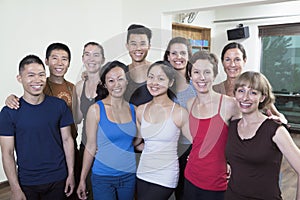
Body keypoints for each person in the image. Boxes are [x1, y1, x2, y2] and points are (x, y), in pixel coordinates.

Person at [5, 42, 80, 200]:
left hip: (58, 177)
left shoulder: (60, 104)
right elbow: (7, 153)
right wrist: (14, 188)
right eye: (31, 75)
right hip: (27, 181)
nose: (37, 80)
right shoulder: (9, 112)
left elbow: (67, 139)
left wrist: (71, 174)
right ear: (20, 78)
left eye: (40, 75)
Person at [225, 71, 300, 200]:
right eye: (241, 91)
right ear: (235, 94)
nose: (245, 97)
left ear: (262, 97)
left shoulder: (275, 130)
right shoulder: (231, 126)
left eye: (253, 92)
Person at [184, 51, 241, 200]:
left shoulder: (229, 104)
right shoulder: (190, 104)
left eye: (207, 72)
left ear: (214, 75)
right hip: (190, 177)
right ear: (190, 75)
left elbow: (244, 138)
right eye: (196, 72)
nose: (202, 77)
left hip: (217, 183)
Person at [77, 61, 137, 200]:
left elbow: (137, 142)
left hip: (129, 176)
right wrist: (82, 179)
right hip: (103, 177)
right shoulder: (96, 110)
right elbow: (90, 147)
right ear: (104, 84)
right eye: (111, 80)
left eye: (120, 79)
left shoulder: (134, 109)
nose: (117, 84)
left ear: (126, 80)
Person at [134, 61, 192, 200]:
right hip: (143, 172)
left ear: (170, 82)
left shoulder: (179, 112)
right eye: (151, 77)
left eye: (161, 79)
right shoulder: (141, 110)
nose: (154, 82)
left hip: (166, 175)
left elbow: (195, 141)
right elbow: (138, 142)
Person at [213, 42, 287, 124]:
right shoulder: (214, 90)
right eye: (227, 59)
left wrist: (282, 120)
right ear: (222, 62)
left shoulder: (256, 87)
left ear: (244, 61)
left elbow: (278, 115)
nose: (232, 64)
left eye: (237, 59)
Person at [163, 36, 196, 200]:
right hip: (167, 148)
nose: (178, 57)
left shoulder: (197, 85)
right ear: (168, 56)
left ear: (189, 56)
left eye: (182, 53)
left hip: (190, 148)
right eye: (174, 53)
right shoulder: (161, 85)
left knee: (185, 192)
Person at [72, 41, 105, 200]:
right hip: (85, 146)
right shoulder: (79, 86)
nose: (91, 58)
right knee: (83, 189)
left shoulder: (109, 84)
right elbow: (78, 118)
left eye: (96, 54)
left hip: (105, 149)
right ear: (83, 58)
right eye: (87, 54)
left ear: (103, 60)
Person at [124, 24, 153, 106]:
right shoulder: (122, 72)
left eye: (142, 44)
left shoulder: (158, 71)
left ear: (149, 46)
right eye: (133, 44)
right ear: (127, 46)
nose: (138, 48)